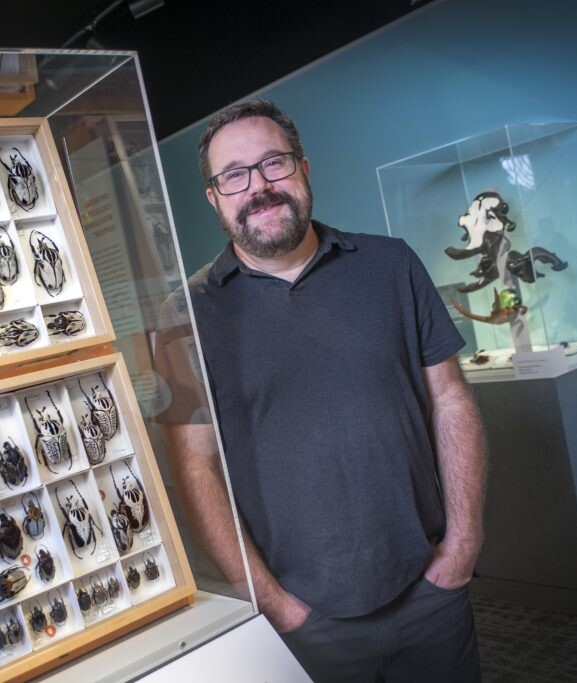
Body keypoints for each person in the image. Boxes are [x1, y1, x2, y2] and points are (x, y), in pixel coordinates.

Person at [157, 100, 487, 682]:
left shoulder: (391, 265)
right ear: (214, 197)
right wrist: (276, 606)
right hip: (306, 622)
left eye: (274, 163)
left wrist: (463, 544)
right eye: (233, 175)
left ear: (304, 168)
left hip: (429, 589)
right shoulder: (186, 314)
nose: (258, 186)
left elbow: (451, 399)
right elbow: (195, 469)